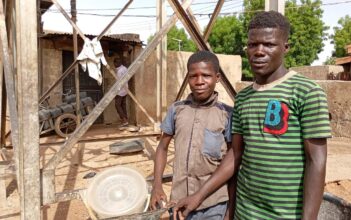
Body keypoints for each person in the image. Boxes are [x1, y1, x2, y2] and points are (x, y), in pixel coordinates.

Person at [174, 11, 332, 220]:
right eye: (252, 45)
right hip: (244, 213)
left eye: (269, 45)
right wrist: (199, 196)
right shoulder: (244, 98)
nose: (259, 51)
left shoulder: (306, 92)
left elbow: (316, 161)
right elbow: (235, 155)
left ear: (285, 47)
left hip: (285, 215)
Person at [149, 50, 233, 220]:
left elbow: (232, 162)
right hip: (178, 202)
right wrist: (157, 185)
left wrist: (230, 210)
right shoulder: (177, 110)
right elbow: (162, 148)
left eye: (206, 76)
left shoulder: (227, 114)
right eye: (193, 76)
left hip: (213, 204)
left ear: (217, 78)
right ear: (188, 79)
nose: (199, 81)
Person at [114, 58, 129, 127]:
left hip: (120, 91)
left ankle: (124, 120)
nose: (114, 65)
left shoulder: (119, 71)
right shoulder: (125, 68)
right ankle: (126, 120)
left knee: (117, 105)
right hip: (125, 90)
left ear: (117, 63)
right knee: (123, 105)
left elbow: (119, 83)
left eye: (115, 63)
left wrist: (116, 92)